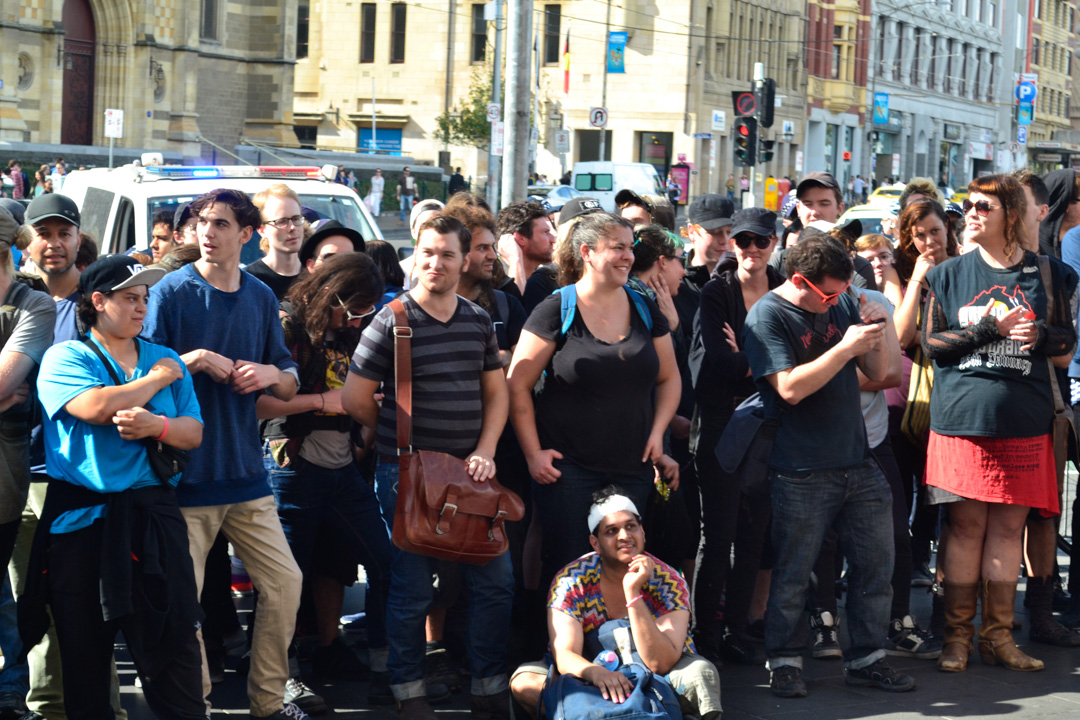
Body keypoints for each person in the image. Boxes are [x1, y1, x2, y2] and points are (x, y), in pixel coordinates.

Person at [142, 189, 307, 720]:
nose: (206, 232)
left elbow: (287, 377)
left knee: (285, 584)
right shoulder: (170, 291)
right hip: (183, 479)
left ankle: (267, 703)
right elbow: (138, 378)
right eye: (200, 222)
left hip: (245, 476)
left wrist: (270, 376)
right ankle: (196, 707)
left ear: (246, 234)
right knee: (182, 609)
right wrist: (188, 360)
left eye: (219, 223)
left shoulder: (260, 296)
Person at [343, 214, 513, 720]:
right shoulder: (392, 319)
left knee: (495, 582)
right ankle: (408, 690)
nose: (435, 263)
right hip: (408, 475)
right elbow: (355, 398)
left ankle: (488, 687)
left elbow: (496, 393)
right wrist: (401, 432)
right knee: (412, 589)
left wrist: (485, 450)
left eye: (446, 254)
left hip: (471, 475)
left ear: (465, 261)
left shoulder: (478, 319)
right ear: (414, 255)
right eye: (427, 252)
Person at [29, 255, 204, 719]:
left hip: (153, 521)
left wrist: (156, 426)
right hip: (83, 527)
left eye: (145, 298)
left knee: (174, 648)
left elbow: (193, 433)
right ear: (98, 300)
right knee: (85, 660)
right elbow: (95, 407)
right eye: (130, 298)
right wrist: (156, 380)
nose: (141, 307)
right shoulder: (66, 356)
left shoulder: (163, 357)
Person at [742, 235, 913, 697]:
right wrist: (843, 348)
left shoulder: (840, 303)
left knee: (877, 563)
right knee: (795, 570)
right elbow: (789, 388)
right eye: (830, 295)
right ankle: (783, 661)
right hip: (800, 467)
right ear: (799, 281)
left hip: (857, 458)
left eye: (842, 294)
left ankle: (869, 657)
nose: (838, 302)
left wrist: (878, 331)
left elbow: (881, 374)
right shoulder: (768, 316)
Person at [923, 175, 1075, 673]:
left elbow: (1066, 345)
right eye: (968, 205)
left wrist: (1040, 335)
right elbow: (931, 347)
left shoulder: (1048, 274)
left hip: (1025, 421)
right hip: (962, 421)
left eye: (983, 206)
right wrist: (992, 327)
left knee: (1010, 530)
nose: (971, 213)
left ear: (1011, 213)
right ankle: (957, 638)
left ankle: (999, 636)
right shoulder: (947, 274)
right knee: (965, 527)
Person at [506, 212, 681, 588]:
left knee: (624, 568)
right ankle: (559, 647)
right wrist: (533, 453)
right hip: (569, 471)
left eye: (629, 248)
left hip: (632, 468)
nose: (628, 257)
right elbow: (516, 385)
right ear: (586, 252)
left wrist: (657, 433)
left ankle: (618, 645)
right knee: (570, 569)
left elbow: (669, 378)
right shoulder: (556, 308)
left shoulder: (644, 307)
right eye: (617, 248)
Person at [257, 252, 394, 704]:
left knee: (387, 561)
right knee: (283, 581)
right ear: (331, 293)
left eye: (366, 312)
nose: (358, 320)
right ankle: (282, 676)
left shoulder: (356, 332)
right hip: (292, 466)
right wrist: (322, 403)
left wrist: (363, 429)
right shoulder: (287, 325)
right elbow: (260, 407)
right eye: (353, 309)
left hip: (343, 468)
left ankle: (385, 664)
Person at [508, 488, 721, 720]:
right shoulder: (571, 580)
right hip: (588, 674)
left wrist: (633, 593)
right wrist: (596, 673)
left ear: (643, 532)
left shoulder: (669, 580)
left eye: (631, 526)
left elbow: (660, 662)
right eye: (611, 531)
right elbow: (565, 654)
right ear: (595, 543)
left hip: (659, 674)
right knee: (524, 681)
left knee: (702, 673)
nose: (624, 536)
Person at [691, 207, 783, 664]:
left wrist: (745, 355)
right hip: (722, 425)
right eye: (742, 240)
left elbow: (800, 357)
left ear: (774, 242)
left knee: (754, 533)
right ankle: (704, 635)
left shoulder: (788, 288)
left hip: (770, 427)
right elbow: (717, 364)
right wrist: (764, 362)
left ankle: (738, 630)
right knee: (719, 531)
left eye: (759, 241)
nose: (750, 249)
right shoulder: (716, 291)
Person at [1010, 169, 1080, 648]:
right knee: (997, 515)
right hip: (1008, 397)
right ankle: (983, 615)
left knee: (1046, 510)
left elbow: (1064, 343)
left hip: (1052, 397)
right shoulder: (1067, 249)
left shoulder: (1059, 267)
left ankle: (1043, 607)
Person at [246, 184, 306, 301]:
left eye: (296, 218)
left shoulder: (315, 275)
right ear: (262, 230)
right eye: (281, 221)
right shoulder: (248, 281)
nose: (292, 227)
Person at [497, 201, 557, 313]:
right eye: (545, 232)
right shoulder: (494, 278)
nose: (553, 239)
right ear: (520, 238)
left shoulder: (547, 280)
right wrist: (516, 260)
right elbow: (511, 313)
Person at [684, 195, 734, 290]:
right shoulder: (675, 283)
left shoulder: (742, 280)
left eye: (729, 232)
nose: (724, 240)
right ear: (691, 232)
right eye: (715, 232)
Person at [399, 200, 445, 291]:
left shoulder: (455, 268)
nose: (432, 230)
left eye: (438, 225)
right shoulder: (401, 270)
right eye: (425, 226)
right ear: (413, 231)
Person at [297, 218, 366, 275]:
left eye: (349, 259)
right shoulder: (296, 291)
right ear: (311, 265)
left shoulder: (368, 291)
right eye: (330, 258)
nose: (339, 265)